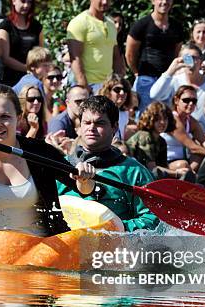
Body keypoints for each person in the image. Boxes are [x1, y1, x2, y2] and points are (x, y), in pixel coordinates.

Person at [0, 83, 95, 237]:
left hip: (45, 250)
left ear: (19, 118)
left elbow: (84, 189)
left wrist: (84, 178)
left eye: (5, 117)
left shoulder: (40, 151)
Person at [57, 95, 158, 232]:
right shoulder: (60, 166)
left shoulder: (135, 172)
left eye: (99, 123)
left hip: (113, 248)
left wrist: (115, 228)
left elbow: (153, 219)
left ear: (115, 127)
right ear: (80, 126)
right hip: (66, 244)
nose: (91, 128)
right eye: (86, 123)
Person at [126, 0, 183, 112]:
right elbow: (130, 53)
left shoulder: (177, 27)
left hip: (168, 79)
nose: (164, 2)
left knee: (166, 116)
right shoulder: (141, 25)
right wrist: (137, 72)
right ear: (153, 1)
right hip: (146, 78)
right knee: (145, 115)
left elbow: (177, 52)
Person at [149, 43, 205, 120]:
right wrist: (170, 71)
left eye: (194, 58)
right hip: (179, 127)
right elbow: (154, 95)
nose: (190, 62)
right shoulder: (174, 80)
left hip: (203, 129)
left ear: (200, 62)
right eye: (186, 58)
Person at [67, 0, 125, 93]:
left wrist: (118, 81)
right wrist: (84, 85)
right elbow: (75, 56)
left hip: (108, 86)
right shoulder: (79, 22)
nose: (105, 2)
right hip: (88, 85)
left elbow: (116, 56)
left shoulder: (111, 24)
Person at [126, 101, 190, 180]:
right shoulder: (145, 136)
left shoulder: (162, 141)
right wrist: (176, 173)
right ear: (150, 119)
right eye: (158, 119)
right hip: (131, 174)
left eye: (165, 119)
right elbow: (152, 169)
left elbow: (163, 167)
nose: (163, 122)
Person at [161, 85, 205, 173]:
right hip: (166, 162)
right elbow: (193, 147)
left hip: (184, 160)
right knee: (183, 164)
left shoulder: (192, 121)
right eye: (186, 100)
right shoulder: (172, 119)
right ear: (176, 100)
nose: (191, 104)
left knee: (200, 157)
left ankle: (192, 177)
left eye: (194, 101)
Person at [0, 0, 44, 87]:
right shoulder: (5, 26)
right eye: (23, 1)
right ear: (13, 1)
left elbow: (41, 53)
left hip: (33, 79)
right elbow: (5, 58)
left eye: (29, 2)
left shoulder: (36, 26)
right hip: (11, 79)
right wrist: (27, 68)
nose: (26, 5)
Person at [98, 74, 132, 141]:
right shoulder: (100, 112)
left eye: (125, 90)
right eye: (117, 89)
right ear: (107, 91)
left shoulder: (125, 114)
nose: (122, 93)